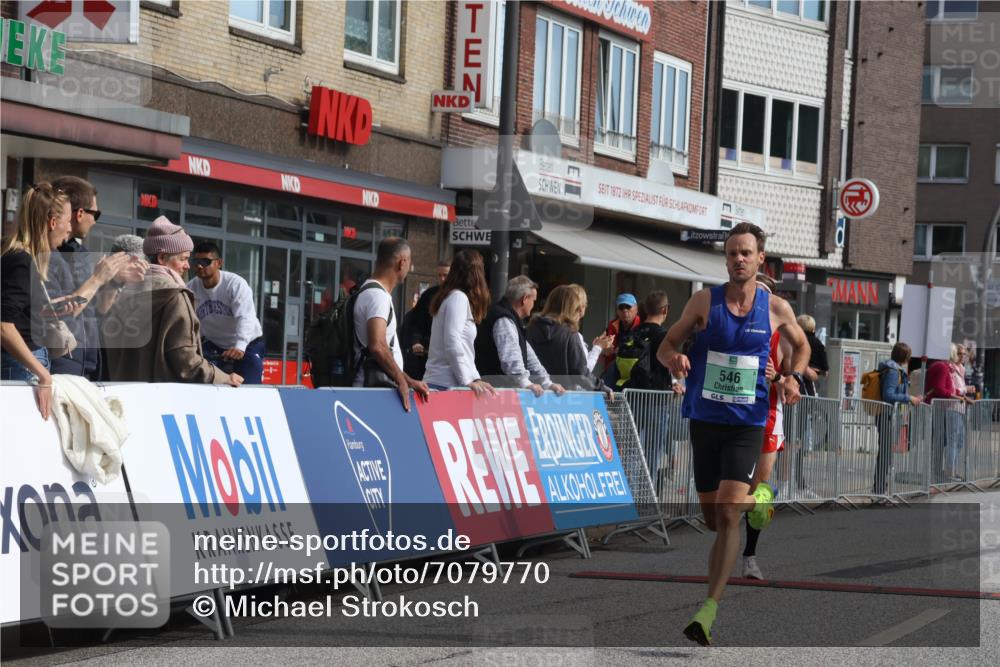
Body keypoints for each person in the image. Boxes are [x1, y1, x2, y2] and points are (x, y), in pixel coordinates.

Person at [657, 222, 810, 646]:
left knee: (726, 513)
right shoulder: (705, 301)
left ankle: (708, 610)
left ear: (761, 258)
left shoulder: (775, 307)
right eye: (731, 254)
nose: (738, 260)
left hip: (747, 422)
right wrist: (674, 360)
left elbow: (802, 346)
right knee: (710, 518)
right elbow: (666, 345)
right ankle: (759, 499)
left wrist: (792, 377)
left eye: (745, 253)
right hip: (705, 420)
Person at [102, 216, 242, 387]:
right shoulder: (175, 296)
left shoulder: (125, 294)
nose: (188, 266)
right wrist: (223, 377)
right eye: (183, 259)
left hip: (125, 398)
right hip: (164, 400)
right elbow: (186, 361)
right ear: (161, 257)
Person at [44, 176, 139, 379]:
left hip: (86, 365)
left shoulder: (80, 253)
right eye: (95, 213)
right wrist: (97, 279)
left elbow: (96, 311)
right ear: (79, 213)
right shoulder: (43, 255)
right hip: (58, 365)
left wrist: (114, 281)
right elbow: (58, 312)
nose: (95, 221)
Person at [1, 184, 73, 419]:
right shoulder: (22, 260)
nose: (69, 229)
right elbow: (4, 325)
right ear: (53, 223)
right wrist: (43, 375)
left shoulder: (11, 253)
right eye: (68, 221)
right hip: (21, 367)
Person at [742, 274, 794, 581]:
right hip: (733, 414)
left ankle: (749, 556)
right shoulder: (733, 328)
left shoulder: (782, 337)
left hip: (767, 416)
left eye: (762, 295)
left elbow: (791, 385)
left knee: (758, 492)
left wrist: (779, 378)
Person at [350, 237, 429, 410]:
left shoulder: (370, 291)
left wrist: (408, 380)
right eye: (409, 263)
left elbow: (384, 351)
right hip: (371, 393)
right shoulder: (378, 297)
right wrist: (401, 381)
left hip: (373, 389)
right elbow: (377, 346)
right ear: (402, 263)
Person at [627, 290, 684, 492]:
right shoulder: (664, 336)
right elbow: (671, 366)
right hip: (657, 399)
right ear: (665, 310)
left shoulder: (633, 332)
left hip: (631, 397)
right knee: (652, 449)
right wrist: (674, 384)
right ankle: (645, 494)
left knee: (632, 447)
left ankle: (629, 491)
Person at [187, 241, 266, 384]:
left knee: (250, 386)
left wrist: (240, 345)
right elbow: (191, 324)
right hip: (215, 345)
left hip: (247, 343)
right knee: (201, 379)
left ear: (219, 263)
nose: (199, 266)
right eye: (196, 261)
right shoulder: (191, 288)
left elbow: (245, 316)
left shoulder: (234, 284)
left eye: (206, 261)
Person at [474, 275, 565, 396]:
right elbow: (510, 358)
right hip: (493, 393)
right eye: (533, 300)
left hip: (495, 391)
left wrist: (547, 383)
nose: (534, 305)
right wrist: (525, 383)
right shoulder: (504, 319)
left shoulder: (511, 320)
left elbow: (528, 355)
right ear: (525, 299)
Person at [424, 250, 495, 396]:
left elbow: (464, 349)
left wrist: (474, 378)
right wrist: (467, 380)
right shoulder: (458, 298)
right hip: (446, 384)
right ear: (476, 273)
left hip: (446, 382)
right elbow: (452, 341)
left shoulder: (451, 297)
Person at [527, 284, 603, 391]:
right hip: (563, 397)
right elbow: (580, 373)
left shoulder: (530, 329)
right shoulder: (570, 333)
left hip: (531, 394)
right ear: (572, 306)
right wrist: (601, 386)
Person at [872, 343, 921, 495]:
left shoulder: (892, 369)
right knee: (886, 454)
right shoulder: (893, 371)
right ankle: (879, 491)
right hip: (887, 415)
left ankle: (880, 489)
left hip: (888, 415)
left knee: (886, 453)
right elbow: (889, 395)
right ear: (905, 357)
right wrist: (909, 398)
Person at [402, 260, 450, 380]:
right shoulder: (429, 295)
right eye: (439, 275)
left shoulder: (460, 295)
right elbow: (416, 321)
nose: (442, 279)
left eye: (446, 275)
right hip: (428, 352)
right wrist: (416, 341)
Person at [602, 292, 641, 370]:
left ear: (636, 309)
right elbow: (603, 354)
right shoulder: (612, 325)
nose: (625, 310)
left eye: (628, 307)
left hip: (636, 370)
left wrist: (622, 350)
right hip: (614, 369)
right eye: (621, 307)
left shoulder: (643, 325)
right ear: (617, 311)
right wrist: (604, 350)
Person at [796, 314, 828, 397]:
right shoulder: (818, 343)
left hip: (796, 374)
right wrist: (822, 370)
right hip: (811, 377)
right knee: (808, 402)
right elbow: (824, 365)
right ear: (813, 328)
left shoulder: (796, 340)